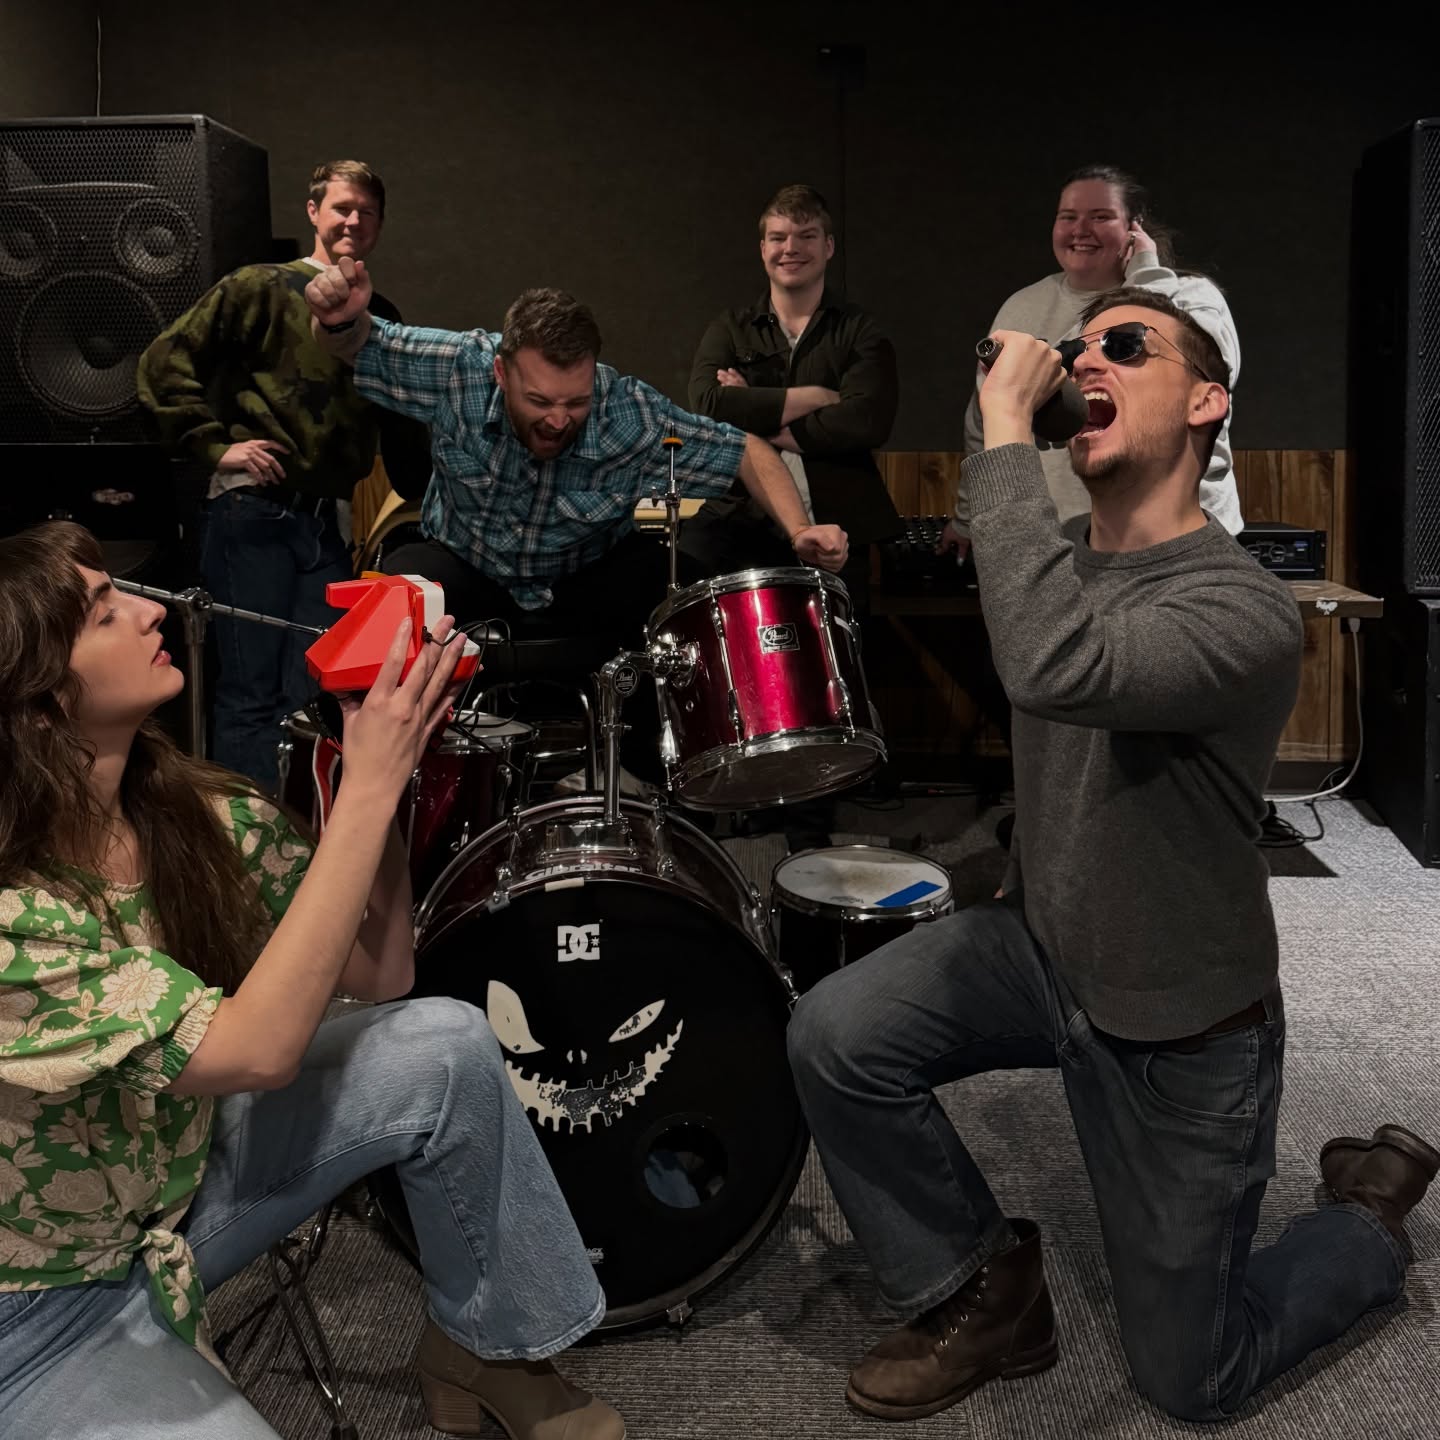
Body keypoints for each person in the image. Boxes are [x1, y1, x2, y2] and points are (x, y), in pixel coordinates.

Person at [787, 289, 1437, 1424]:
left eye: (1125, 346)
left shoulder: (1243, 609)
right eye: (1080, 345)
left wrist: (995, 433)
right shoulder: (1066, 562)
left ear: (1205, 400)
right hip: (1047, 954)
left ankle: (1365, 1217)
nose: (1087, 358)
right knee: (835, 1035)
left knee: (1195, 1375)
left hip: (1183, 1029)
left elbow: (1057, 668)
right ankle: (987, 1291)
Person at [0, 521, 624, 1440]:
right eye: (103, 612)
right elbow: (257, 1048)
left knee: (441, 1045)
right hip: (41, 1309)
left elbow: (383, 971)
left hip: (172, 1201)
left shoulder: (189, 812)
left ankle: (485, 1352)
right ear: (40, 701)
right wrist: (369, 786)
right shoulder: (12, 911)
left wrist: (374, 774)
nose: (147, 608)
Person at [302, 276, 848, 636]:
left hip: (581, 577)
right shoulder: (457, 368)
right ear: (500, 371)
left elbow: (748, 452)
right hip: (464, 563)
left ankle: (645, 781)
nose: (559, 419)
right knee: (396, 596)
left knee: (667, 589)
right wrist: (338, 318)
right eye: (538, 401)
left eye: (576, 402)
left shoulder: (628, 413)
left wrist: (800, 529)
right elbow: (358, 345)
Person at [137, 160, 429, 791]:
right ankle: (244, 846)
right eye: (342, 207)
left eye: (367, 212)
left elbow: (401, 410)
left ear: (380, 226)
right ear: (313, 212)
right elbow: (164, 361)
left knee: (310, 695)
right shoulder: (257, 287)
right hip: (253, 511)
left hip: (328, 523)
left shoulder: (380, 311)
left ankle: (298, 844)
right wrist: (215, 447)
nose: (353, 220)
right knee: (248, 693)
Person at [946, 164, 1243, 551]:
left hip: (1178, 542)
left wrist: (1145, 273)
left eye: (1100, 216)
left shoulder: (1189, 296)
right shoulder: (1022, 307)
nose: (1080, 229)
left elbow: (1204, 367)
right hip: (1060, 541)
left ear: (1135, 229)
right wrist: (969, 517)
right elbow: (984, 421)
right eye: (1067, 217)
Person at [682, 183, 900, 606]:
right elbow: (707, 405)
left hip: (840, 528)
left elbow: (868, 420)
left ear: (829, 245)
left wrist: (753, 412)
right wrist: (819, 396)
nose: (791, 248)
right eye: (779, 237)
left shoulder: (860, 330)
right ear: (763, 247)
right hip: (742, 522)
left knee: (841, 657)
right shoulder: (730, 327)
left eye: (806, 236)